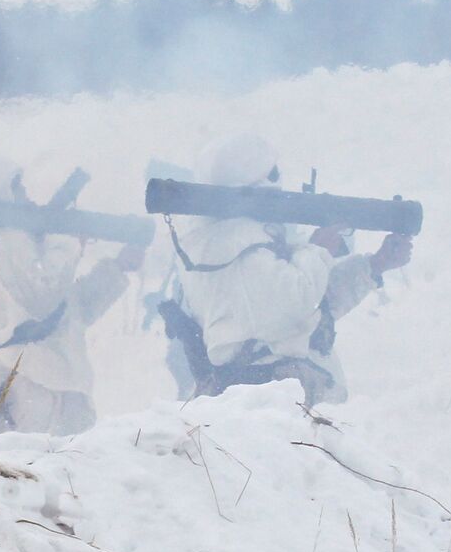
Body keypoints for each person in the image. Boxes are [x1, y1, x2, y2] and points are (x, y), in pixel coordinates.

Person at [160, 135, 413, 405]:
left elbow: (315, 307)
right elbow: (295, 303)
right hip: (266, 401)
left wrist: (375, 265)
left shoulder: (235, 239)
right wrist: (318, 250)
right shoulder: (233, 243)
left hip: (273, 400)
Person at [0, 157, 144, 437]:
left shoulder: (11, 240)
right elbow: (44, 298)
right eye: (19, 188)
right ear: (3, 192)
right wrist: (66, 237)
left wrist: (116, 269)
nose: (26, 196)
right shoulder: (7, 239)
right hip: (32, 383)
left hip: (47, 381)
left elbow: (68, 314)